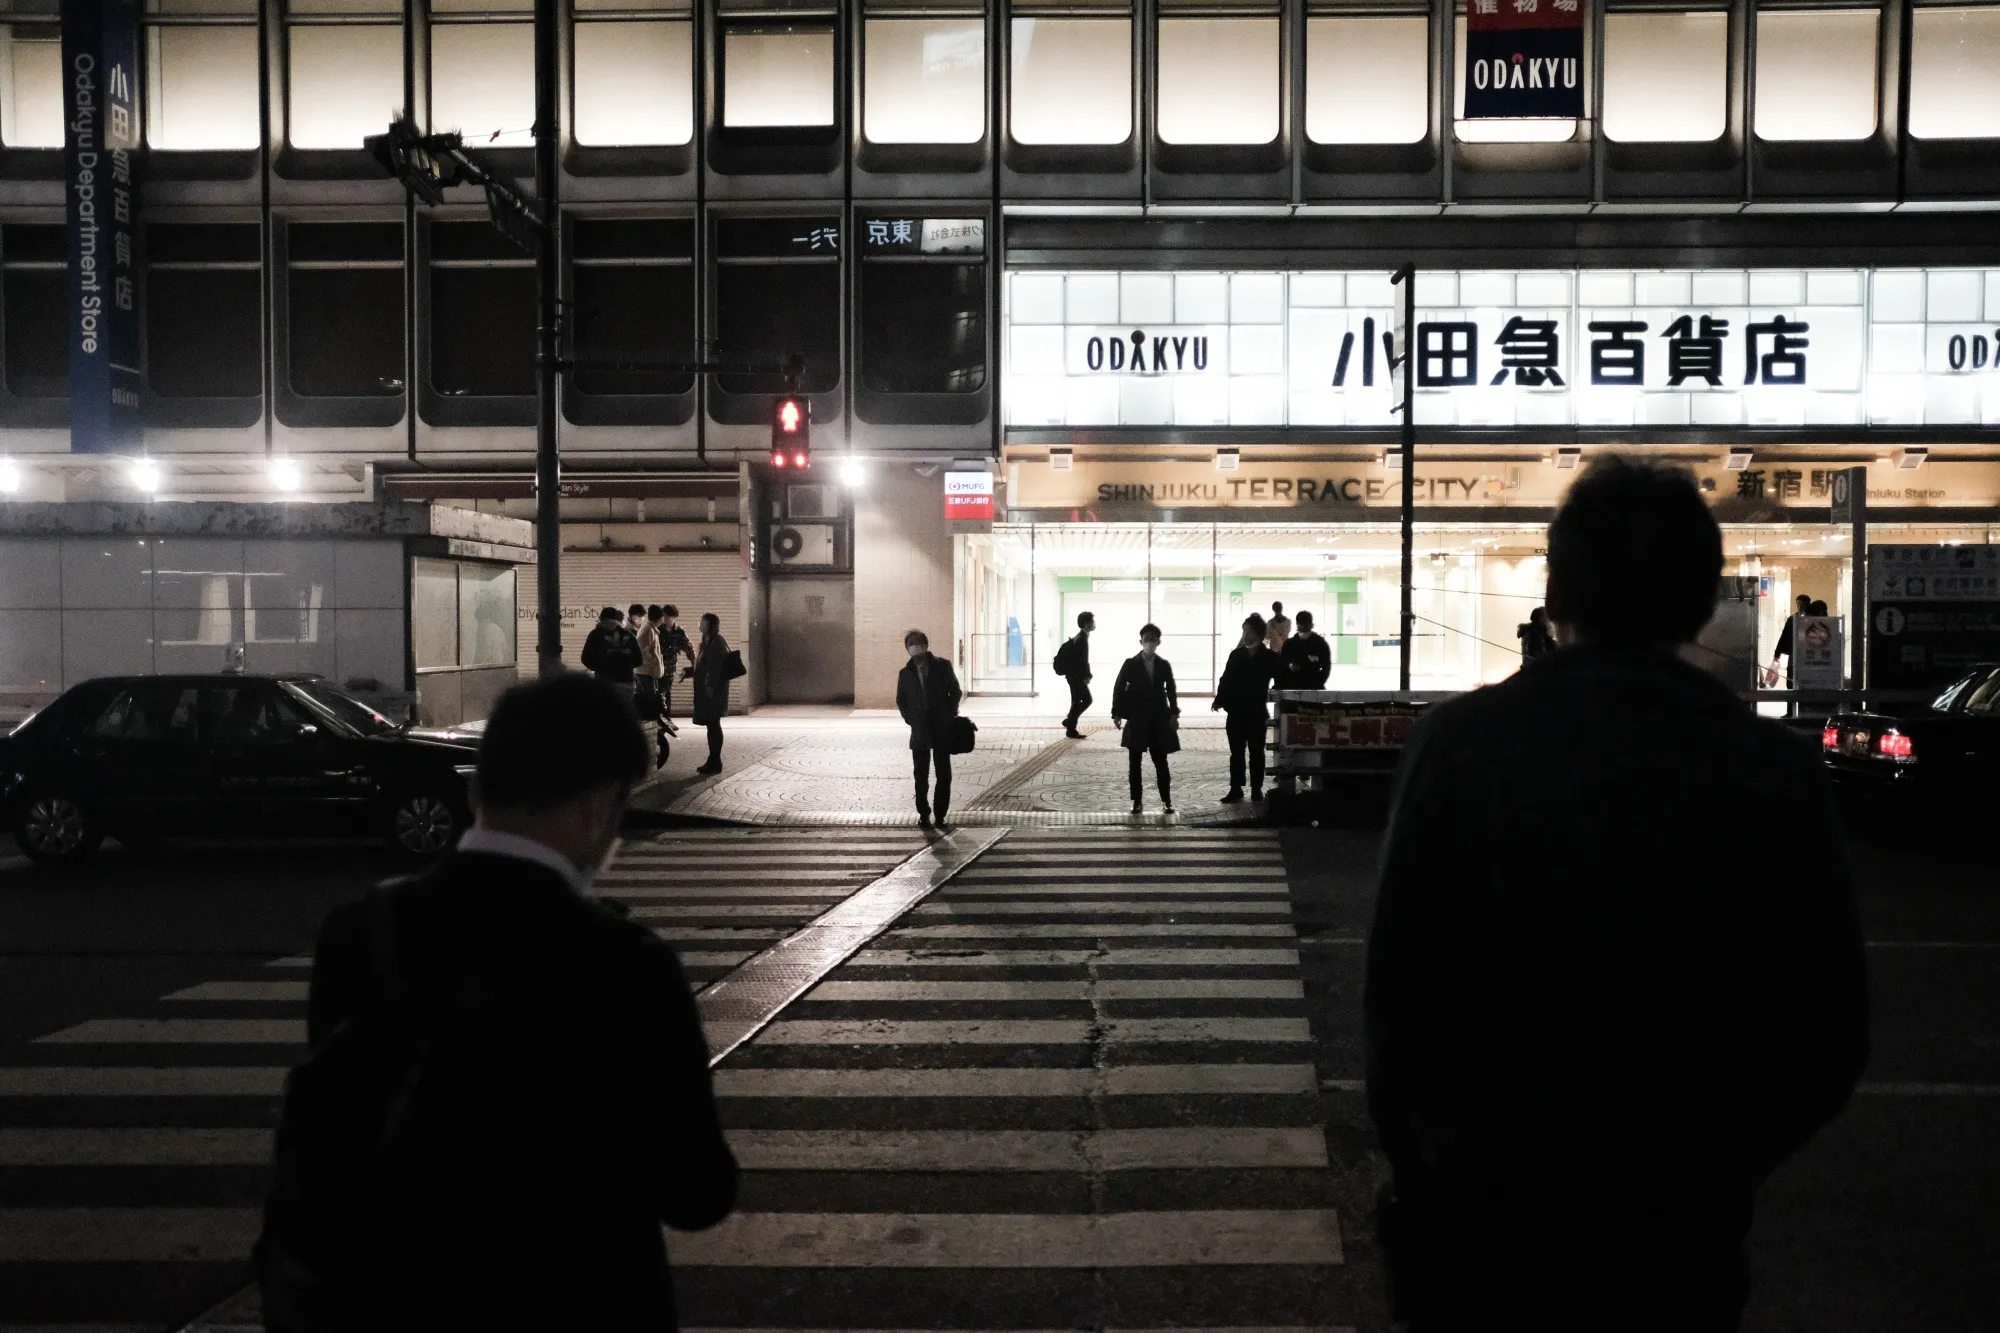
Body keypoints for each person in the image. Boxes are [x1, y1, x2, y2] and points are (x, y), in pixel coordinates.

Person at [1366, 456, 1868, 1333]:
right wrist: (1718, 1166)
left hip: (1487, 1227)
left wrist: (1428, 1167)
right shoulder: (1770, 768)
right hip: (1675, 1238)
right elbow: (1828, 1031)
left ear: (1556, 590)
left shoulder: (1460, 747)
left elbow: (1394, 1004)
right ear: (1703, 598)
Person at [258, 674, 737, 1330]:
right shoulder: (626, 961)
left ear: (478, 788)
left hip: (397, 1305)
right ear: (599, 805)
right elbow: (696, 1192)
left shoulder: (363, 930)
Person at [1110, 623, 1179, 816]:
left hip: (1158, 720)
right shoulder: (1130, 664)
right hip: (1137, 718)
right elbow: (1118, 687)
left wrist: (1174, 714)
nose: (1149, 643)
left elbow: (1171, 690)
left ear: (1158, 642)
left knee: (1161, 762)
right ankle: (1137, 801)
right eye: (1146, 639)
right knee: (1134, 763)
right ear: (1141, 641)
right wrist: (1116, 713)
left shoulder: (1163, 665)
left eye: (1153, 639)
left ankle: (1166, 801)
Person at [896, 629, 963, 826]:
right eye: (911, 643)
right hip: (919, 731)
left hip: (941, 728)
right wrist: (911, 719)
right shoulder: (905, 673)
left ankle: (940, 814)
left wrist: (950, 712)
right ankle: (923, 813)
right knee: (920, 775)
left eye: (918, 642)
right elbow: (901, 700)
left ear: (926, 645)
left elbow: (955, 691)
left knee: (943, 774)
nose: (915, 646)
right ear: (907, 648)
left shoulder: (942, 666)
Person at [1214, 612, 1278, 803]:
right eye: (1244, 632)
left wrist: (1274, 691)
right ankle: (1236, 788)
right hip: (1236, 712)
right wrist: (1219, 699)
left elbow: (1281, 676)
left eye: (1248, 632)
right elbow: (1225, 680)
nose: (1245, 636)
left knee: (1256, 752)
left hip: (1257, 711)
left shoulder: (1268, 657)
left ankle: (1256, 788)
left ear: (1258, 634)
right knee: (1237, 753)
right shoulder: (1236, 655)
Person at [689, 612, 730, 776]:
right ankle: (712, 760)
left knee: (714, 724)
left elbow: (715, 667)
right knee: (711, 725)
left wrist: (710, 685)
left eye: (702, 621)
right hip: (707, 690)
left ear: (709, 625)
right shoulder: (707, 641)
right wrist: (690, 672)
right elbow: (704, 665)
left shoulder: (717, 642)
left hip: (713, 691)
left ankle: (716, 761)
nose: (699, 623)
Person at [580, 605, 642, 695]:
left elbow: (585, 658)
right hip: (626, 682)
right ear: (618, 620)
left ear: (601, 619)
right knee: (624, 708)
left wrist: (600, 668)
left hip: (603, 682)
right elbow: (639, 660)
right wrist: (625, 665)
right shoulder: (628, 634)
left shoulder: (595, 634)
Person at [1056, 611, 1095, 739]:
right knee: (1086, 700)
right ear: (1086, 624)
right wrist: (1087, 675)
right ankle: (1070, 727)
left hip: (1073, 675)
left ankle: (1070, 722)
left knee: (1076, 701)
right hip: (1076, 676)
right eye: (1091, 621)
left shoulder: (1081, 637)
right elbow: (1082, 660)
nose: (1094, 624)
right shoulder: (1081, 639)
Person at [634, 605, 666, 762]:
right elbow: (641, 649)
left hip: (648, 672)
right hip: (646, 673)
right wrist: (652, 660)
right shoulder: (647, 630)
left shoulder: (650, 629)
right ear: (659, 618)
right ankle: (650, 732)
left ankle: (652, 729)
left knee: (652, 700)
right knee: (650, 700)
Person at [657, 604, 694, 728]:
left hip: (670, 668)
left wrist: (695, 663)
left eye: (669, 617)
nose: (666, 619)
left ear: (674, 617)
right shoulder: (657, 630)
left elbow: (688, 648)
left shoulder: (679, 631)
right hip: (656, 668)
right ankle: (659, 719)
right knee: (658, 693)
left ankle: (667, 718)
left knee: (666, 692)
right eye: (665, 616)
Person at [1283, 608, 1333, 690]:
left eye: (1306, 624)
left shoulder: (1320, 643)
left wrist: (1318, 682)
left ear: (1311, 624)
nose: (1304, 626)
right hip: (1294, 685)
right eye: (1302, 623)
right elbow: (1283, 664)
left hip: (1313, 685)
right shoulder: (1289, 644)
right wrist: (1289, 668)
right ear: (1298, 624)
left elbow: (1326, 667)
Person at [1769, 593, 1811, 688]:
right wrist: (1777, 654)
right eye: (1798, 604)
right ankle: (1790, 701)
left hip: (1808, 654)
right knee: (1791, 680)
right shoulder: (1792, 619)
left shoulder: (1812, 620)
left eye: (1802, 604)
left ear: (1808, 605)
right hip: (1794, 653)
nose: (1799, 607)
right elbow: (1784, 636)